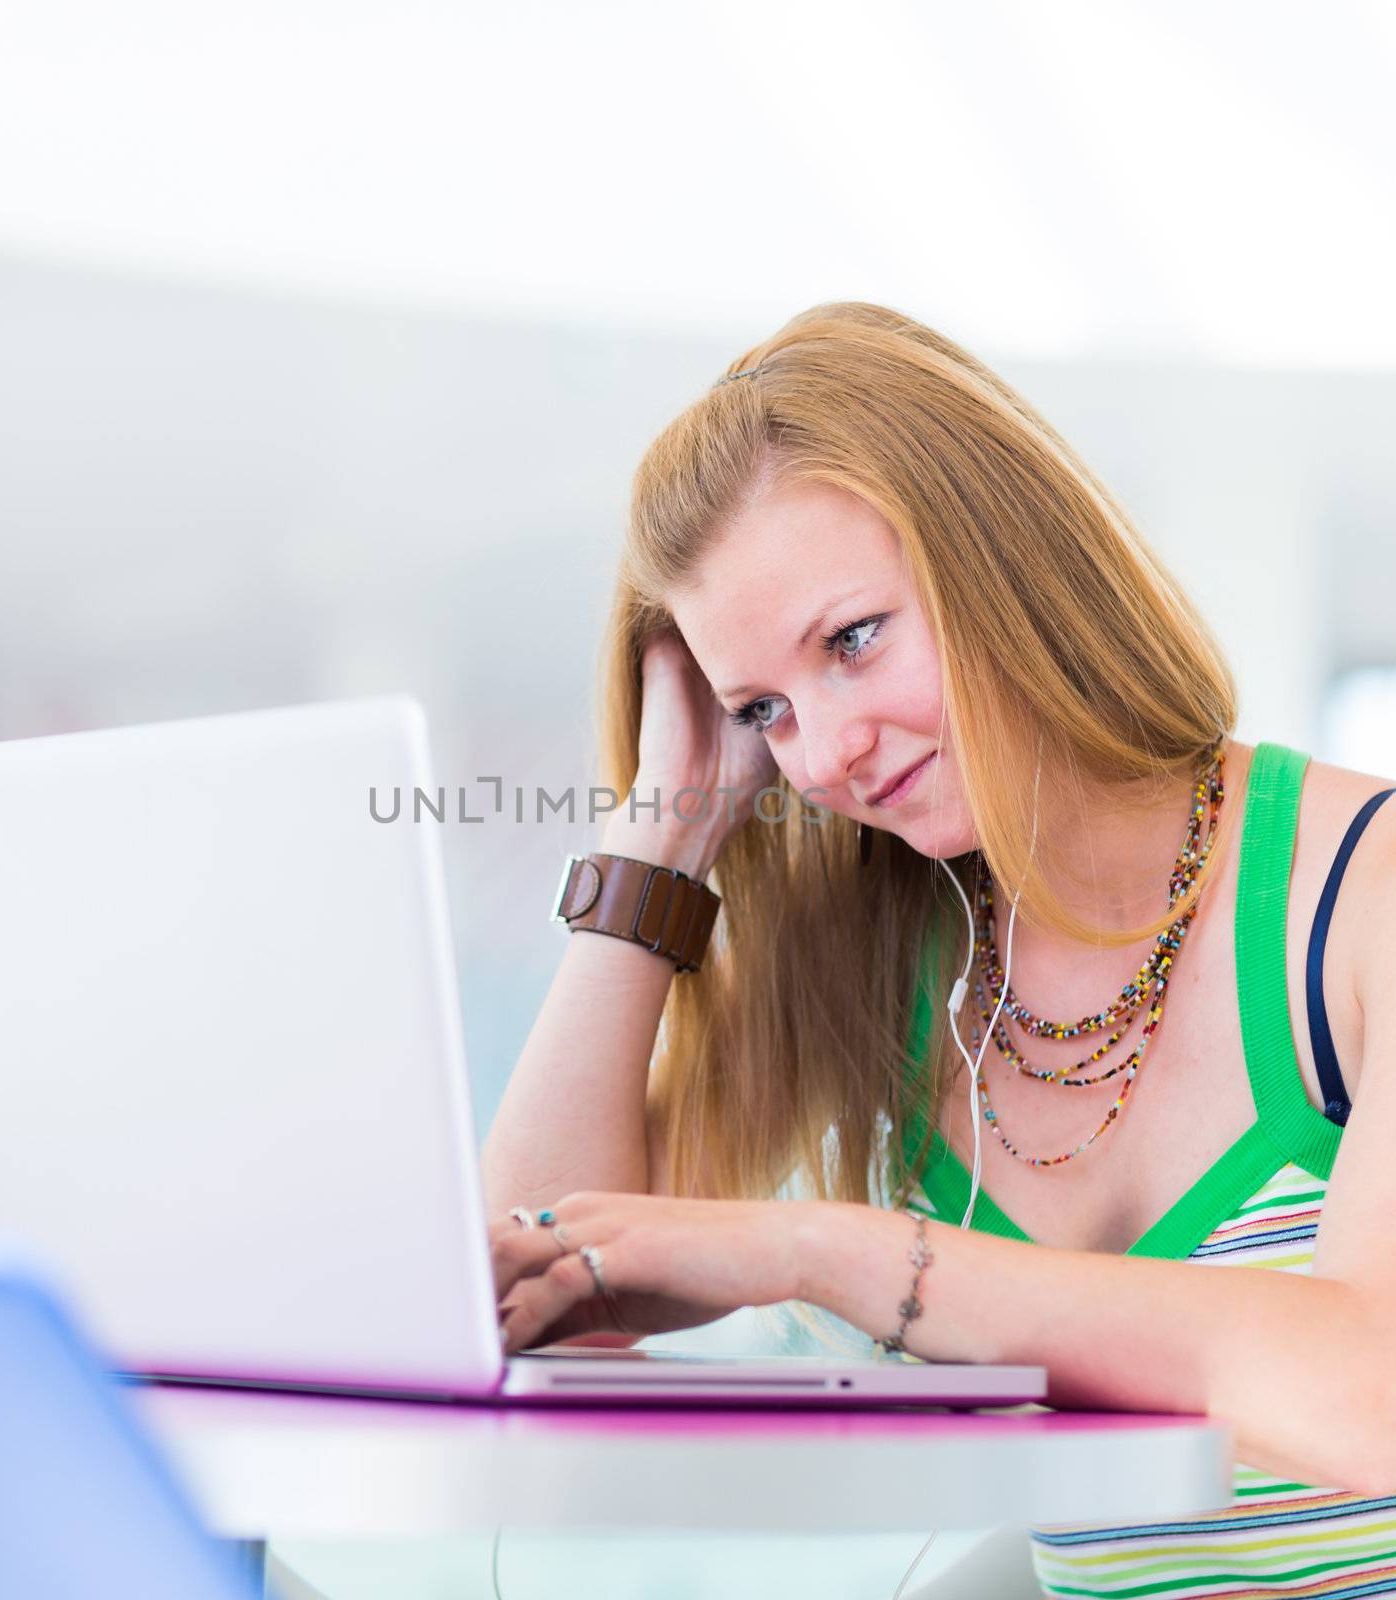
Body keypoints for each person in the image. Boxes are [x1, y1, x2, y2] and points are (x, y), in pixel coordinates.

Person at [481, 302, 1396, 1596]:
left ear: (1004, 555)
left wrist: (838, 1253)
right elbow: (534, 1293)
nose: (824, 754)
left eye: (853, 640)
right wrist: (663, 835)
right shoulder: (896, 954)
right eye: (766, 710)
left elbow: (1368, 1395)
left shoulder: (1365, 894)